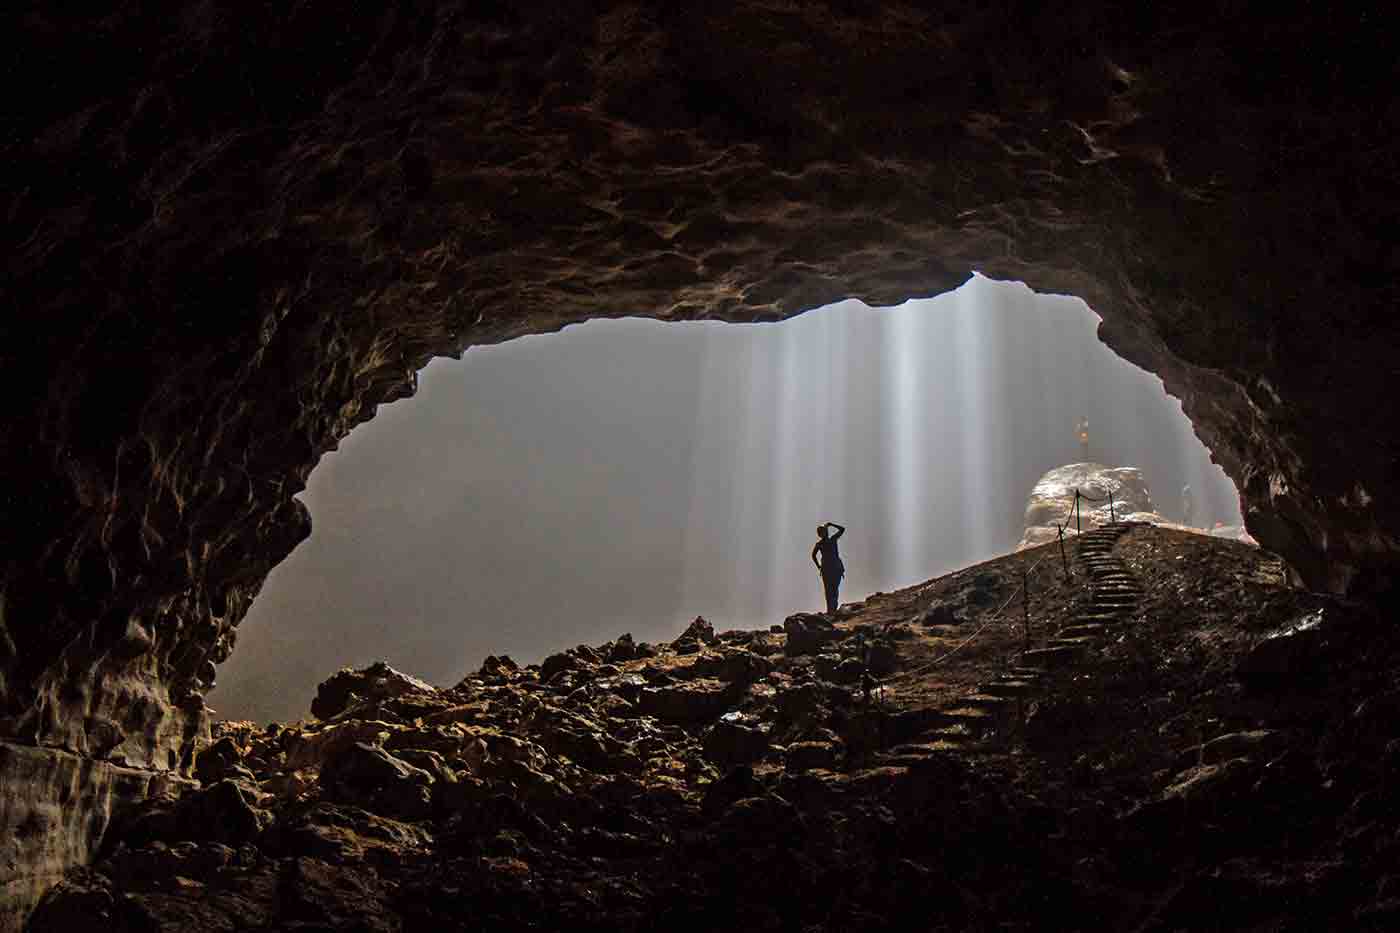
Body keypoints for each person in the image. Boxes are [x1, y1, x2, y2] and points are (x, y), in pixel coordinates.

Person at [811, 522, 846, 615]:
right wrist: (819, 566)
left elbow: (842, 529)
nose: (825, 533)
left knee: (834, 589)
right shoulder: (820, 544)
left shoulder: (833, 539)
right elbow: (813, 555)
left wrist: (831, 524)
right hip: (827, 569)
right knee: (828, 590)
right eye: (822, 532)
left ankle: (833, 609)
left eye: (825, 531)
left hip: (836, 567)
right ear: (820, 534)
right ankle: (830, 610)